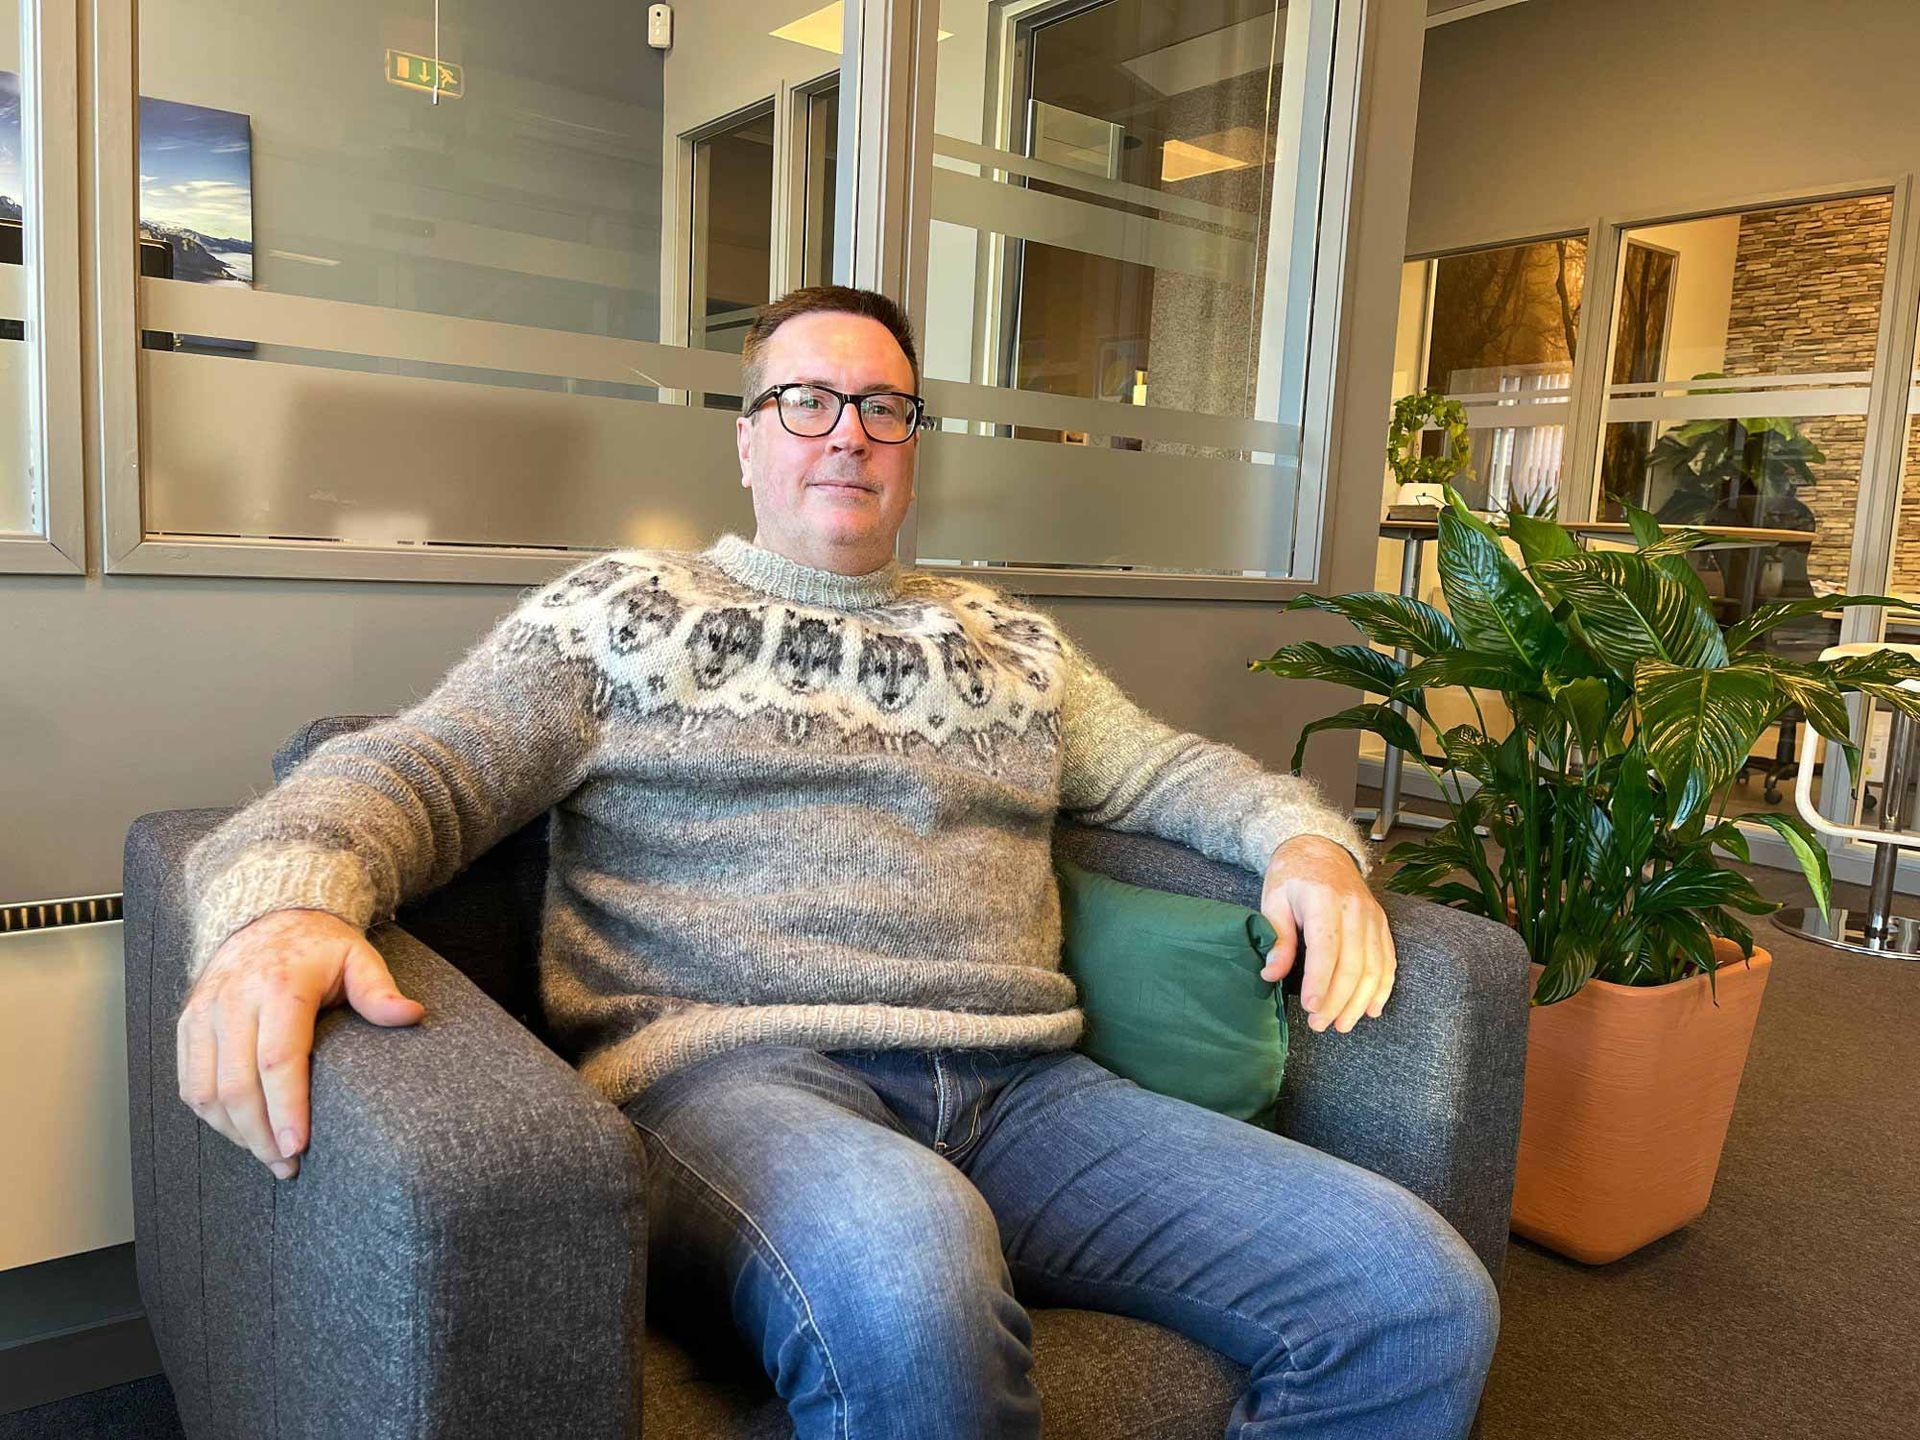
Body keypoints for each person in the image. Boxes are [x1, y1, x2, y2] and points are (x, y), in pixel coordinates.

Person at [178, 285, 1498, 1438]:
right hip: (735, 1086)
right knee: (905, 1264)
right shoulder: (620, 616)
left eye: (884, 407)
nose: (849, 433)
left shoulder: (1008, 642)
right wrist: (278, 911)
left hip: (1029, 1097)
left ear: (914, 446)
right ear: (751, 438)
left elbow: (1168, 772)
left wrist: (1308, 843)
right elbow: (409, 772)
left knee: (1417, 1297)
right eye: (807, 402)